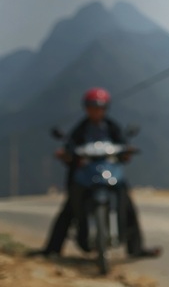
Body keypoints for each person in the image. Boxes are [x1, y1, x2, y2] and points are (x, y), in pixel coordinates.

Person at [32, 87, 161, 259]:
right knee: (69, 208)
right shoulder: (80, 129)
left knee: (127, 206)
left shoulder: (112, 127)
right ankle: (52, 250)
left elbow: (122, 143)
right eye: (92, 107)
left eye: (100, 107)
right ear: (86, 108)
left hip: (109, 172)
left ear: (105, 108)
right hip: (86, 174)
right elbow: (70, 145)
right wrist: (66, 154)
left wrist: (127, 151)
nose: (96, 111)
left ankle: (136, 249)